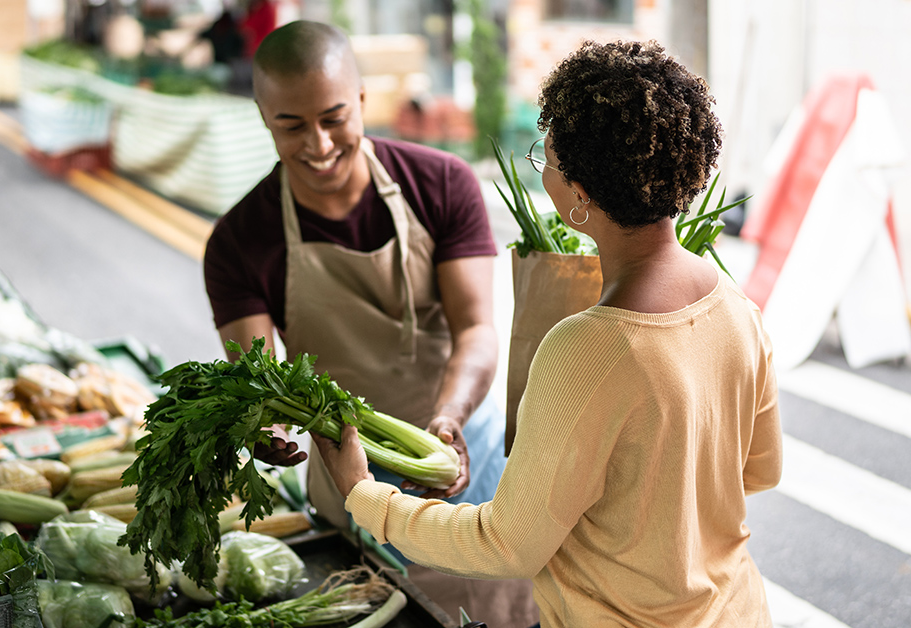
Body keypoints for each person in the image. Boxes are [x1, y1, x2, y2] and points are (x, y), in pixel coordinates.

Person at [315, 40, 784, 628]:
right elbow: (760, 471)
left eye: (548, 157)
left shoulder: (587, 349)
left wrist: (364, 495)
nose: (544, 167)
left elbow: (506, 544)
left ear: (580, 197)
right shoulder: (735, 305)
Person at [203, 21, 537, 627]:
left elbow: (477, 331)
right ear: (262, 116)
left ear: (361, 100)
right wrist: (266, 428)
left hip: (462, 452)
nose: (320, 144)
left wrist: (448, 419)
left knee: (493, 605)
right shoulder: (238, 241)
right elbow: (261, 379)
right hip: (347, 474)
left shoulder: (441, 183)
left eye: (334, 117)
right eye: (292, 126)